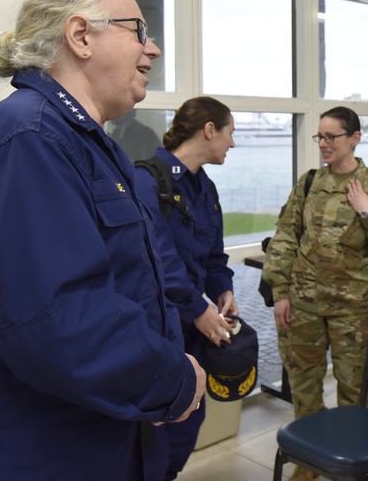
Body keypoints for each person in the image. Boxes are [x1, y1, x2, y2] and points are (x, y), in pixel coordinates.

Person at [0, 0, 205, 479]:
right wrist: (174, 380)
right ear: (80, 37)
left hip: (83, 435)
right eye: (137, 30)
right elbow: (56, 318)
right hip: (18, 449)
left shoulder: (88, 145)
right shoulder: (25, 139)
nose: (153, 48)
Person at [263, 106, 368, 481]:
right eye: (319, 137)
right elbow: (286, 237)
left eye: (331, 137)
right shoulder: (308, 183)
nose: (323, 144)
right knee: (304, 384)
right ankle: (308, 463)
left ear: (354, 138)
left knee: (353, 393)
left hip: (352, 309)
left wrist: (367, 213)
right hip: (302, 304)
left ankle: (352, 461)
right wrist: (281, 290)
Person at [134, 96, 239, 480]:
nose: (232, 143)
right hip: (159, 329)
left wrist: (223, 290)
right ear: (209, 130)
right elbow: (159, 260)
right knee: (155, 433)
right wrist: (199, 310)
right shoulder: (147, 182)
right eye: (229, 133)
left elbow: (213, 256)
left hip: (194, 330)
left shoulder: (204, 188)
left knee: (189, 418)